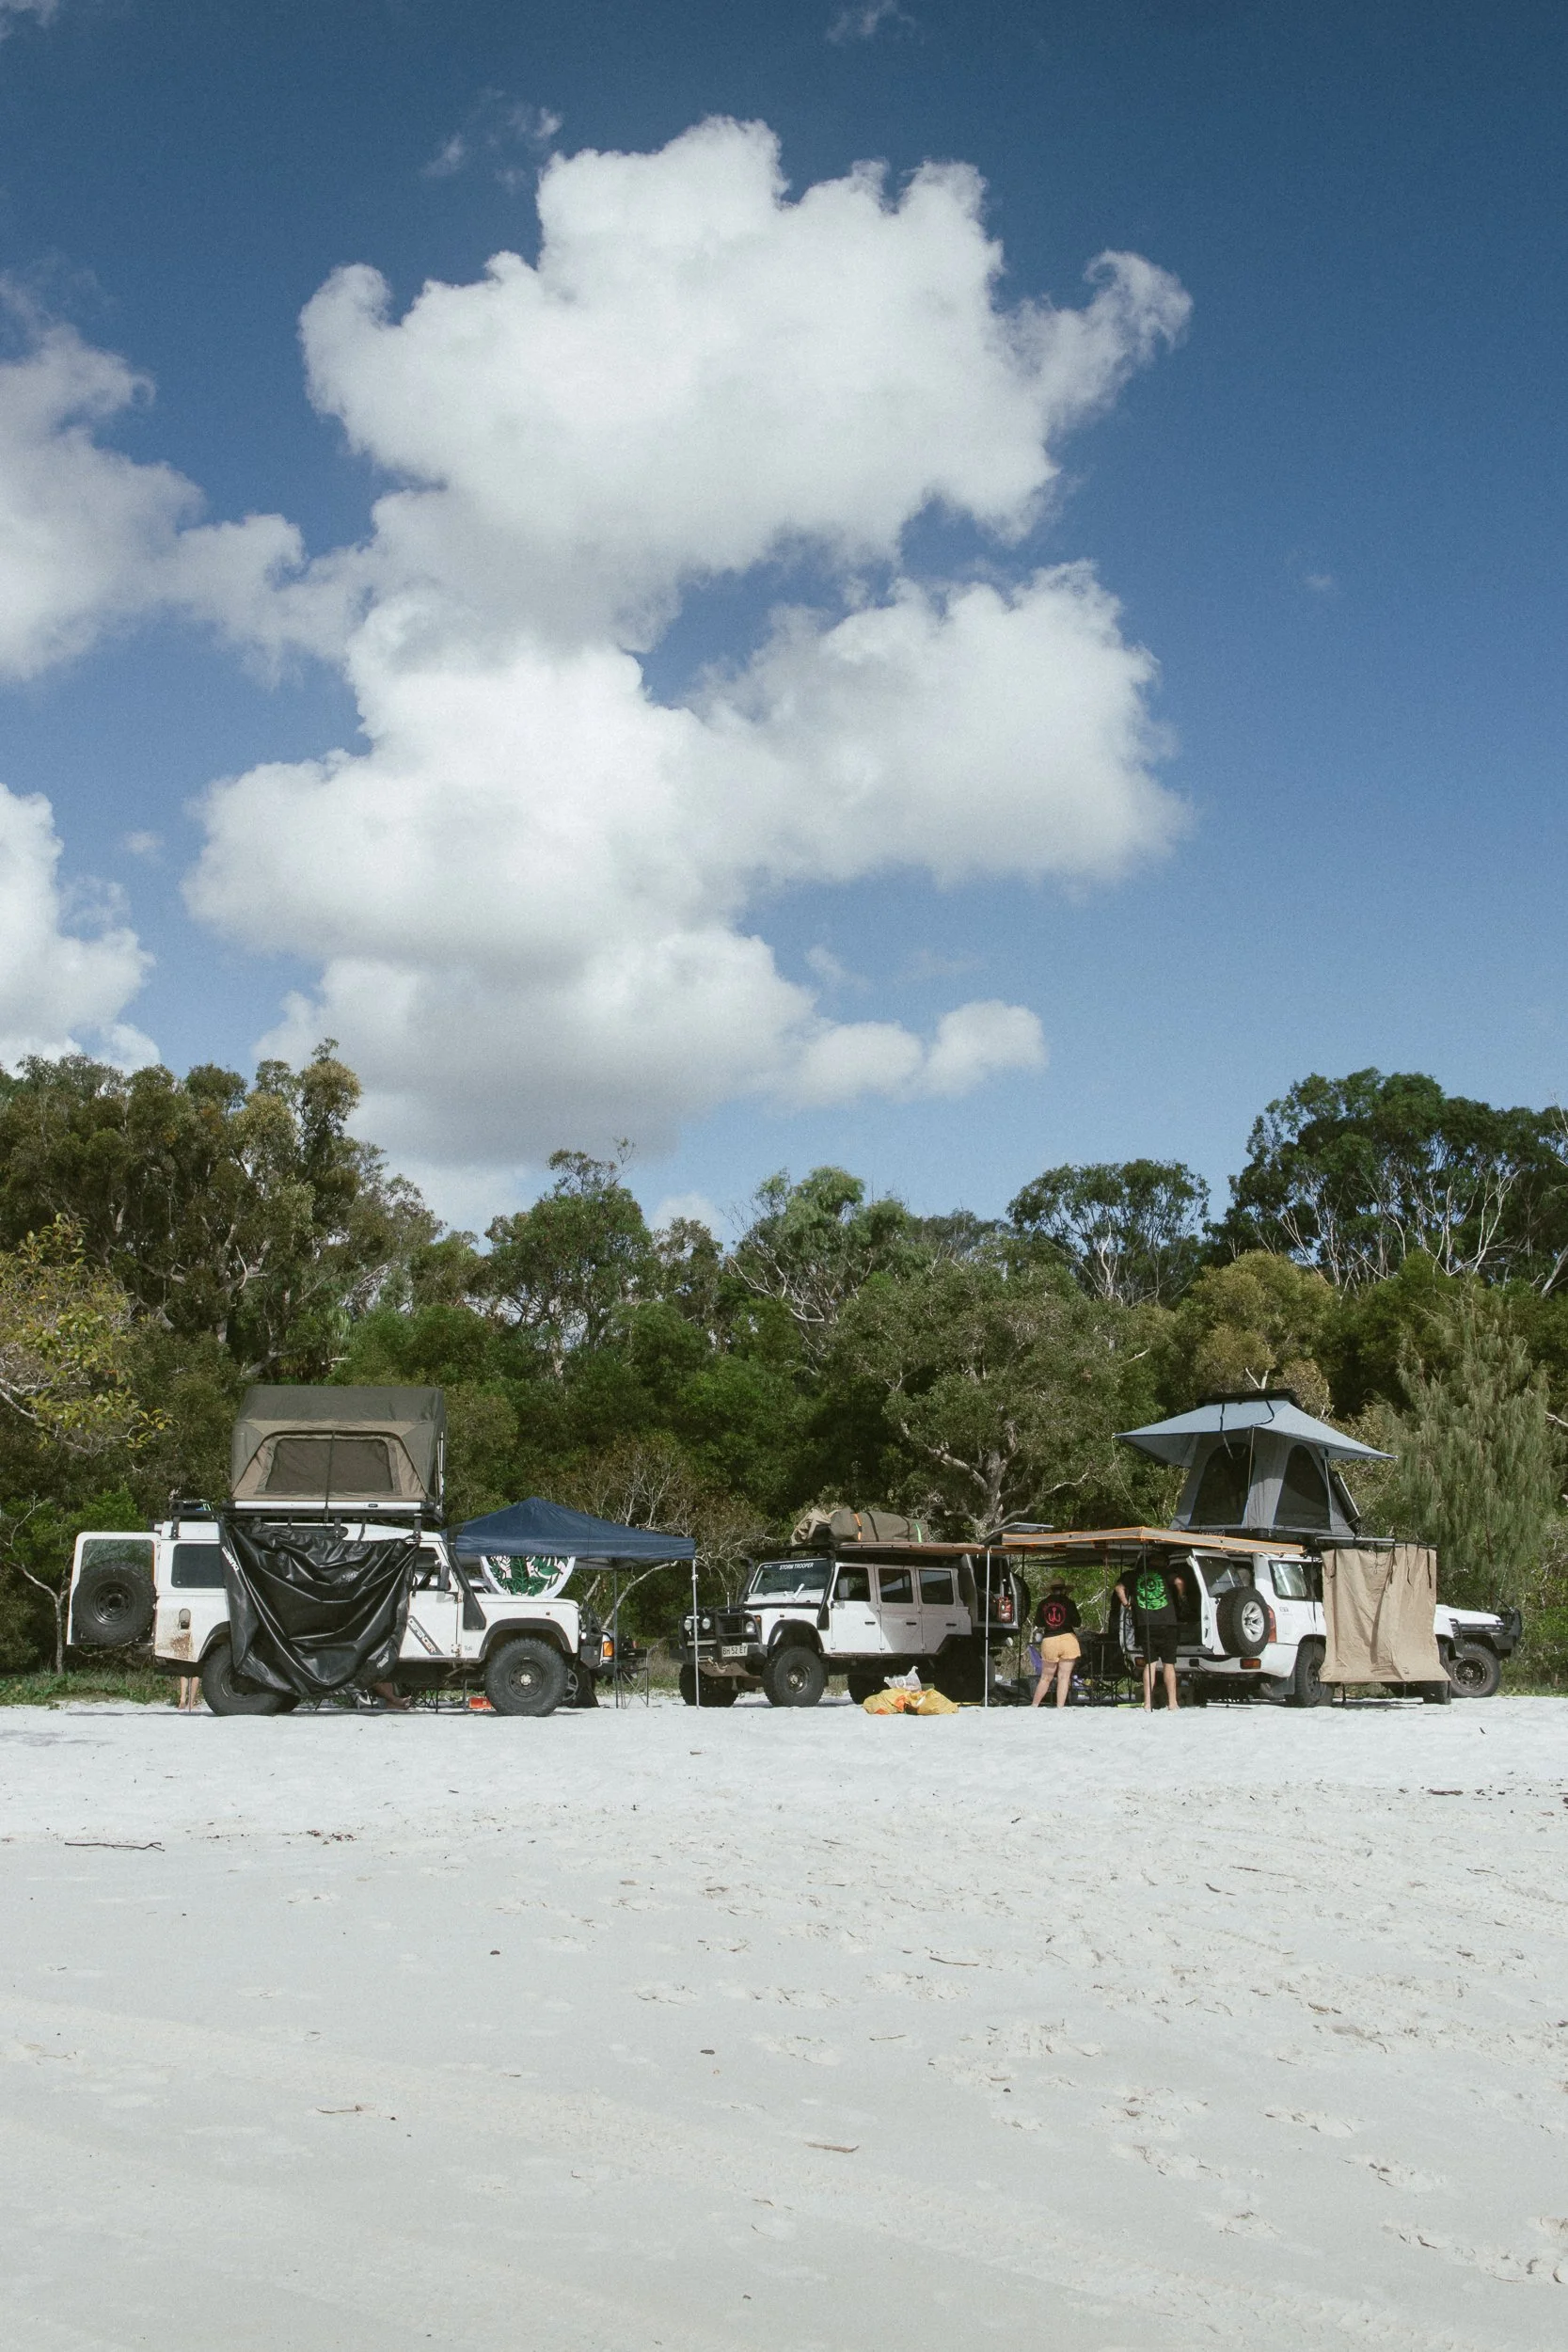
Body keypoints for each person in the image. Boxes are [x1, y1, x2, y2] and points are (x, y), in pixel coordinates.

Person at [1114, 1555, 1186, 1712]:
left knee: (1150, 1663)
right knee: (1169, 1664)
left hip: (1145, 1623)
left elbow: (1119, 1588)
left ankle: (1147, 1703)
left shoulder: (1132, 1575)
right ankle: (1172, 1703)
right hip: (1167, 1622)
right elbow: (1179, 1582)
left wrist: (1127, 1604)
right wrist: (1181, 1597)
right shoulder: (1165, 1572)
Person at [1030, 1580, 1082, 1708]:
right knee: (1064, 1677)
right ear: (1064, 1589)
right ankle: (1059, 1706)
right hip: (1067, 1638)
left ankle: (1034, 1704)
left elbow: (1039, 1622)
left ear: (1051, 1590)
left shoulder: (1043, 1603)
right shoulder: (1069, 1603)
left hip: (1049, 1640)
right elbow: (1077, 1622)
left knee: (1046, 1677)